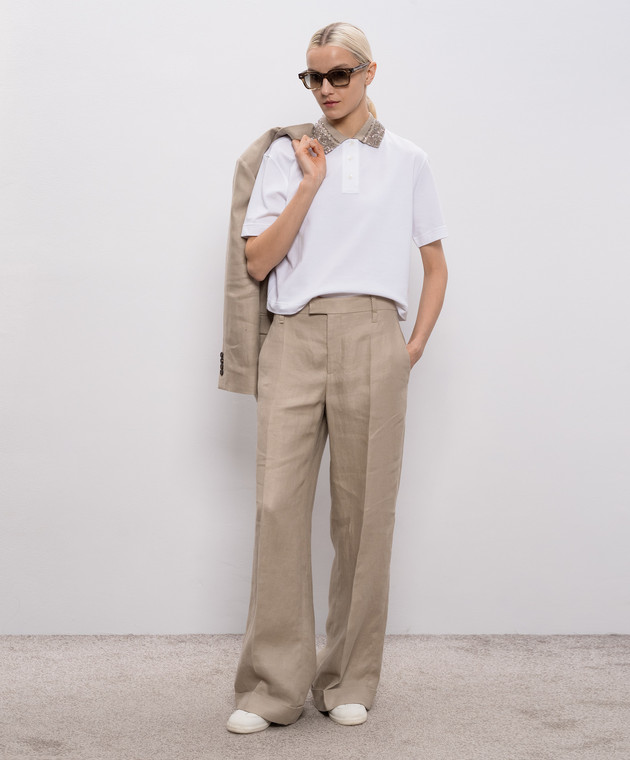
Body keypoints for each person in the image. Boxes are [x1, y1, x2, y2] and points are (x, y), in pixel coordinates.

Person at [225, 21, 449, 734]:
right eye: (313, 77)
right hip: (294, 334)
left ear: (369, 73)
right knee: (277, 509)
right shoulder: (286, 154)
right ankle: (272, 688)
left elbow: (435, 265)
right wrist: (310, 182)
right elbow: (258, 261)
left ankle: (350, 676)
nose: (324, 89)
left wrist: (411, 346)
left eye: (338, 75)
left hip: (374, 335)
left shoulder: (408, 159)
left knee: (365, 514)